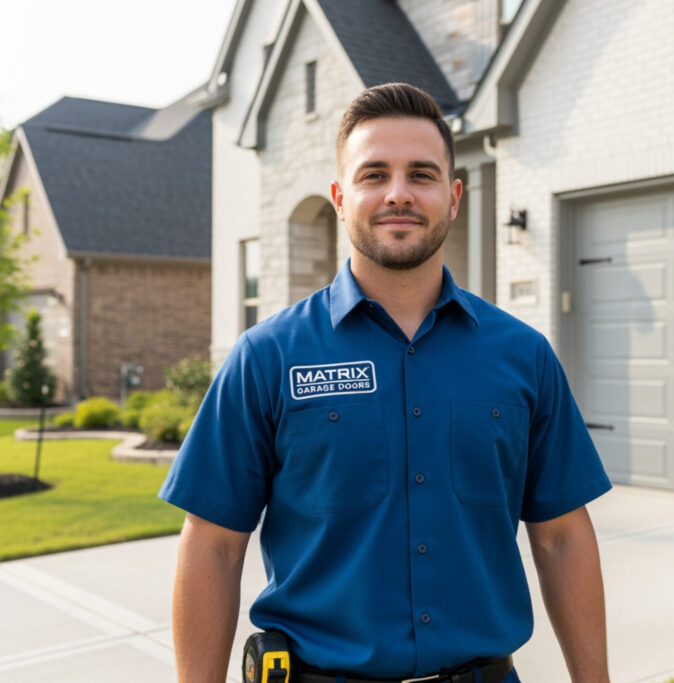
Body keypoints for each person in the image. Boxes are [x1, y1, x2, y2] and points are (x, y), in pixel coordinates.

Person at [159, 82, 612, 683]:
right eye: (374, 174)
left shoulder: (523, 356)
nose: (398, 193)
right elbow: (212, 546)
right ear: (340, 197)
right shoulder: (266, 358)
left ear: (453, 198)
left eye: (421, 174)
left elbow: (560, 537)